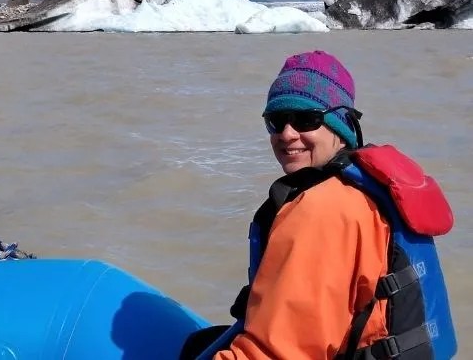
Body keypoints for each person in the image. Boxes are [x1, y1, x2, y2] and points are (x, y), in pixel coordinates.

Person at [180, 50, 456, 360]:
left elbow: (276, 354)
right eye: (276, 120)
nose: (287, 133)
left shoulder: (322, 209)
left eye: (305, 119)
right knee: (198, 343)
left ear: (339, 125)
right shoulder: (368, 189)